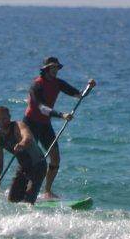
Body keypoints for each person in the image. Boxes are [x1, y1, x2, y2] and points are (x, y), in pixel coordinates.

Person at [23, 56, 96, 199]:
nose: (56, 70)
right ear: (46, 69)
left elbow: (79, 95)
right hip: (30, 123)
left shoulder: (58, 83)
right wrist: (61, 115)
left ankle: (47, 192)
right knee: (34, 160)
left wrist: (89, 88)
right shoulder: (36, 85)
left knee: (55, 158)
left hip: (45, 124)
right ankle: (25, 189)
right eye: (53, 67)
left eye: (57, 67)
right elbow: (41, 108)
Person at [0, 106, 47, 204]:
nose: (1, 121)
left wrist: (22, 144)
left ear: (9, 117)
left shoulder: (18, 126)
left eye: (4, 118)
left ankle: (31, 206)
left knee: (28, 202)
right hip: (23, 168)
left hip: (38, 165)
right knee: (12, 200)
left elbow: (28, 137)